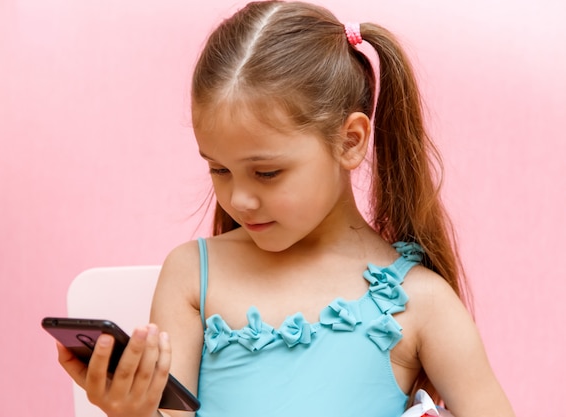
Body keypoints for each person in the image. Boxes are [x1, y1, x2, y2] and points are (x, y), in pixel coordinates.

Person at [56, 1, 516, 416]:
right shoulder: (192, 276)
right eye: (219, 170)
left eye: (267, 173)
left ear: (350, 141)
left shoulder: (423, 304)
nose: (239, 200)